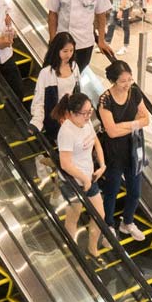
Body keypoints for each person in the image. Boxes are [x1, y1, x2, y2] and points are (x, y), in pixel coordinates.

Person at [98, 61, 149, 241]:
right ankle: (109, 224)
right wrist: (134, 124)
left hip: (134, 147)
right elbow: (111, 132)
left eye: (129, 79)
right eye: (122, 81)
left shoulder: (134, 92)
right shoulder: (105, 100)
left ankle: (127, 222)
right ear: (113, 81)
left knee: (135, 191)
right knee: (112, 190)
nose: (127, 84)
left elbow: (146, 119)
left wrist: (124, 126)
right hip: (114, 151)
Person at [55, 93, 107, 255]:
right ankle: (73, 250)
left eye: (90, 112)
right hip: (72, 182)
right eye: (84, 113)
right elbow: (65, 163)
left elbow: (96, 142)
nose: (88, 116)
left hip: (89, 178)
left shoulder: (86, 123)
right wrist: (84, 179)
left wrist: (102, 165)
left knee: (100, 215)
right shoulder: (66, 132)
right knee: (73, 217)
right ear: (71, 113)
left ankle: (93, 247)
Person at [30, 32, 82, 143]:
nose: (69, 55)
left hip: (72, 115)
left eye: (71, 51)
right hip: (55, 118)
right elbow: (39, 100)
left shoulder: (74, 66)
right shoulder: (46, 73)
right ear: (56, 50)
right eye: (65, 51)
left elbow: (78, 91)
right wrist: (37, 122)